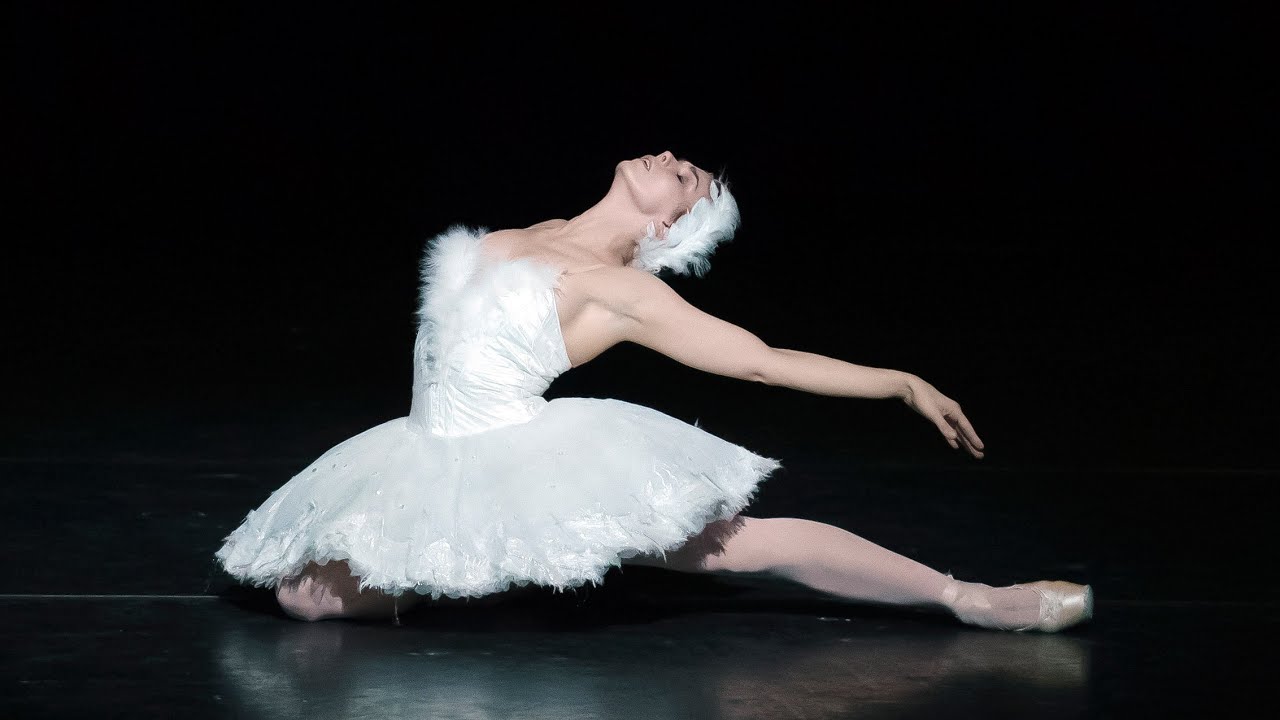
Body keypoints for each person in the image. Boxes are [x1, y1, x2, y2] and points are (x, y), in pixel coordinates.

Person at [215, 151, 1093, 632]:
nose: (669, 156)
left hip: (521, 458)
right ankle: (493, 564)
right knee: (301, 597)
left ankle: (967, 597)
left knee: (735, 546)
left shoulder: (621, 290)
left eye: (682, 173)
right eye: (677, 156)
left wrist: (899, 382)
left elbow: (758, 359)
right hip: (425, 452)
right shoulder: (535, 231)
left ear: (669, 221)